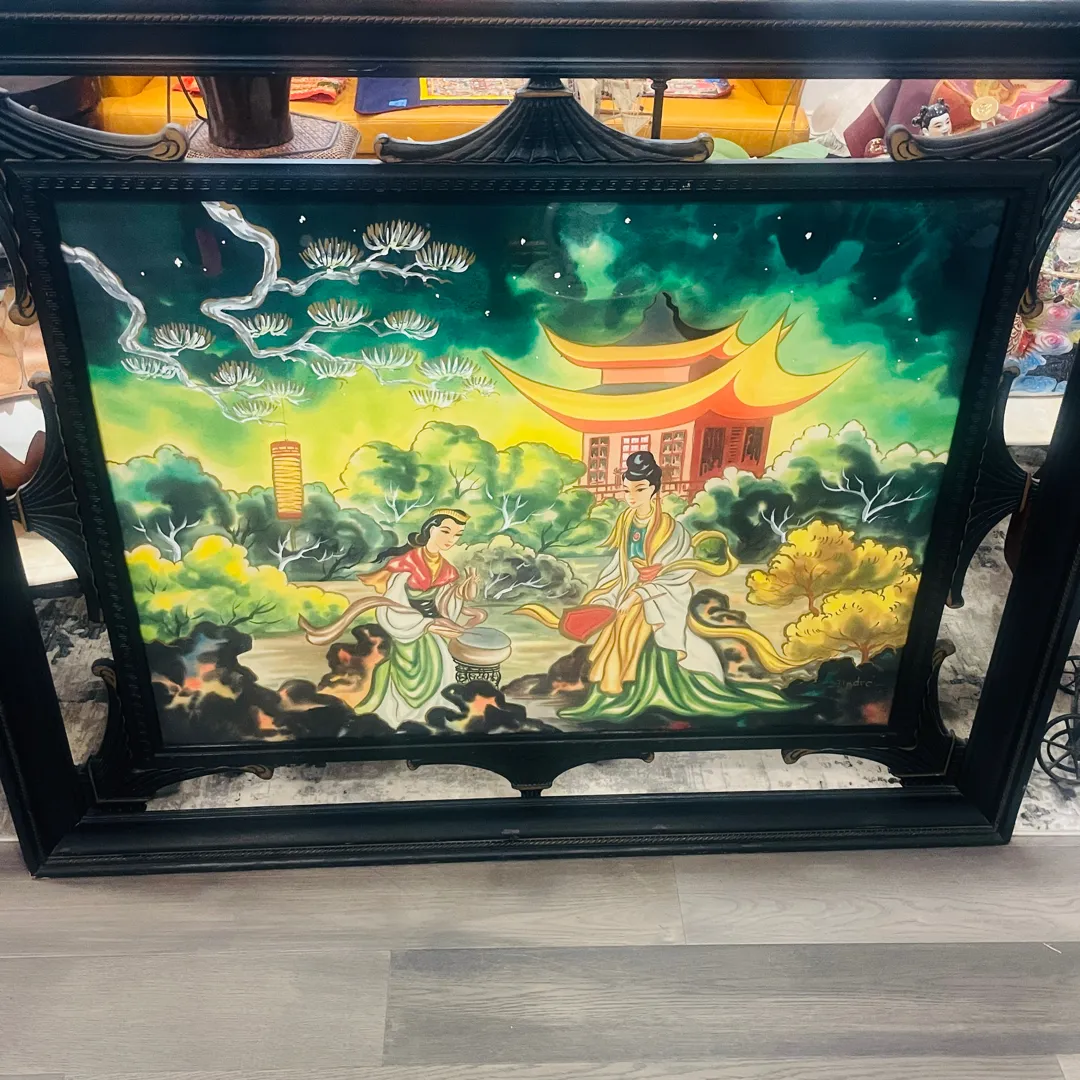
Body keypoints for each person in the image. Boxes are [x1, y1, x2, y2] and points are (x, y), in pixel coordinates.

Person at [556, 451, 791, 723]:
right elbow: (618, 567)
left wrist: (639, 595)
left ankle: (648, 692)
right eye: (627, 490)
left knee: (632, 624)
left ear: (654, 489)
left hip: (660, 597)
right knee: (618, 624)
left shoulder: (671, 529)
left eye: (639, 489)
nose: (631, 496)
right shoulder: (627, 522)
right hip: (629, 591)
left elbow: (678, 573)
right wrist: (605, 595)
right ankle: (613, 695)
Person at [299, 508, 482, 726]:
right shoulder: (407, 563)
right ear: (430, 530)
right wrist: (425, 624)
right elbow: (392, 605)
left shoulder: (447, 568)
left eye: (457, 535)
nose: (451, 539)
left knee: (445, 666)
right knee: (408, 676)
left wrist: (465, 588)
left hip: (433, 630)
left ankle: (435, 716)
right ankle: (405, 719)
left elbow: (449, 601)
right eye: (446, 531)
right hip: (409, 628)